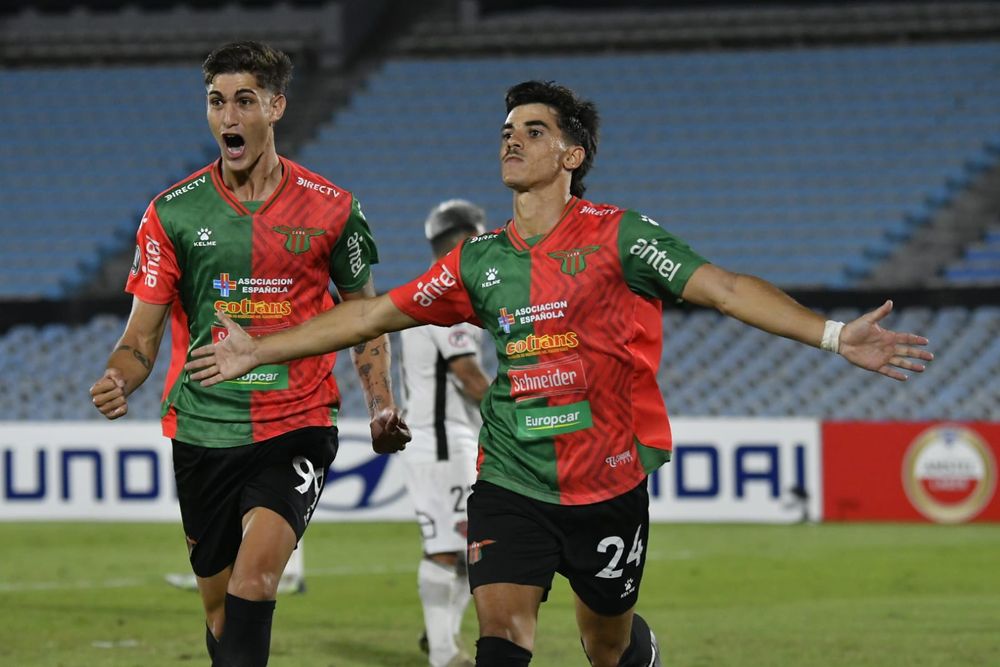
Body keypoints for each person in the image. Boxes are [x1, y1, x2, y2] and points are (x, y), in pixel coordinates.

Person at [183, 80, 934, 667]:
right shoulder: (478, 261)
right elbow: (371, 315)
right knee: (502, 635)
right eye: (507, 131)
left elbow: (727, 289)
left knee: (606, 644)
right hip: (511, 479)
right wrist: (261, 349)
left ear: (572, 155)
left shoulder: (620, 237)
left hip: (607, 482)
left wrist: (835, 335)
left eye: (533, 131)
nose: (512, 140)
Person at [88, 41, 410, 667]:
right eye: (216, 102)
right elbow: (140, 339)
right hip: (203, 429)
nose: (228, 117)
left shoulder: (332, 207)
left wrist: (381, 403)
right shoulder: (172, 213)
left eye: (243, 101)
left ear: (276, 107)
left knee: (255, 581)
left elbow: (367, 317)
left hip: (297, 422)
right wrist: (118, 377)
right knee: (220, 611)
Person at [400, 200, 493, 667]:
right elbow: (469, 376)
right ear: (463, 241)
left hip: (446, 438)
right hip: (442, 442)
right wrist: (515, 415)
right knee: (447, 546)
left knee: (466, 546)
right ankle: (442, 651)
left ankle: (442, 634)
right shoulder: (446, 298)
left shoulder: (427, 292)